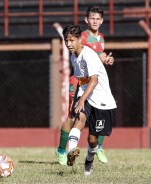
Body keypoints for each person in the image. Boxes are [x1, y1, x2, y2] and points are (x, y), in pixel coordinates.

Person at [55, 6, 114, 165]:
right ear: (86, 20)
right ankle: (62, 149)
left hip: (95, 81)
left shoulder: (101, 37)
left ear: (101, 21)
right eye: (92, 18)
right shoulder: (81, 36)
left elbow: (96, 62)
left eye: (98, 19)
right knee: (73, 115)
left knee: (102, 109)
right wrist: (97, 57)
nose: (95, 21)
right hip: (79, 81)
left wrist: (106, 60)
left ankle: (98, 146)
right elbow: (82, 56)